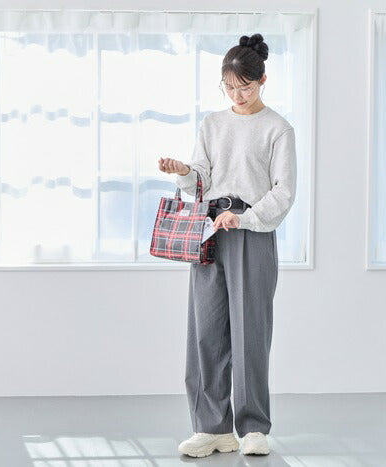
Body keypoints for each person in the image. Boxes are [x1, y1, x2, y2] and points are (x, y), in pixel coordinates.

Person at [158, 32, 297, 458]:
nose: (237, 95)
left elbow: (283, 191)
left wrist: (245, 218)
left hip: (251, 232)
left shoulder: (278, 129)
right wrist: (184, 171)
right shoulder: (212, 124)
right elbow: (202, 178)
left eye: (246, 87)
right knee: (206, 329)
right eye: (230, 87)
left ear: (263, 81)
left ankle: (253, 427)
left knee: (250, 330)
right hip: (209, 229)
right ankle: (212, 427)